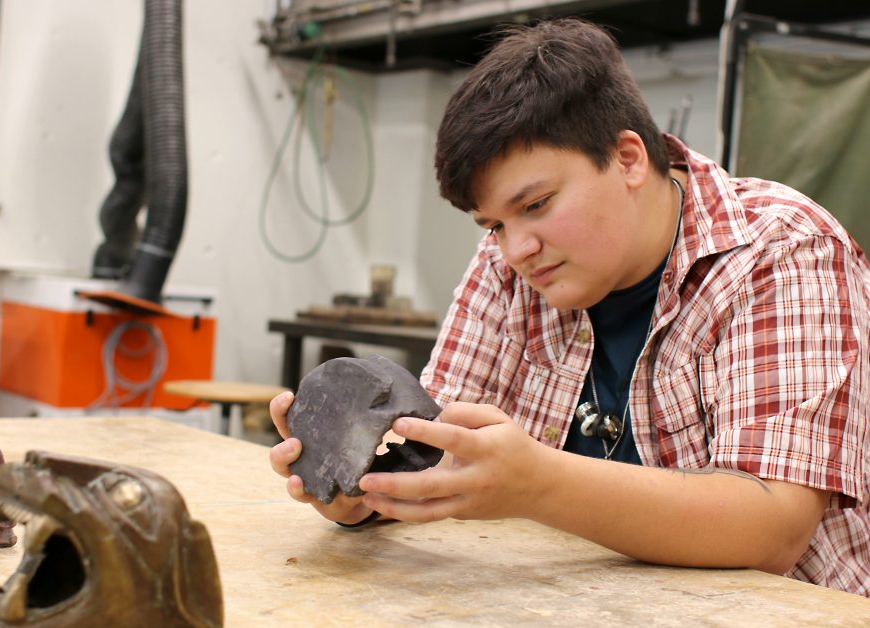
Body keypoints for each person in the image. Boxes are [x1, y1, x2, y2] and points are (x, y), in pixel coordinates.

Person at [268, 18, 870, 597]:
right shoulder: (507, 262)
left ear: (629, 158)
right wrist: (361, 495)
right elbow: (438, 451)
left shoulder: (784, 253)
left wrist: (538, 484)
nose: (516, 248)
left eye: (537, 204)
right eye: (494, 224)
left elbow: (772, 528)